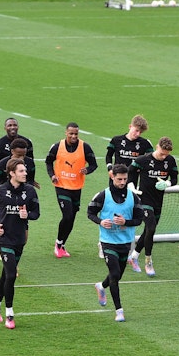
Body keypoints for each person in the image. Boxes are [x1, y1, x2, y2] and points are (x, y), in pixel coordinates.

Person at [0, 158, 41, 329]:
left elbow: (36, 213)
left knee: (5, 275)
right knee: (11, 275)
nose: (25, 173)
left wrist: (27, 215)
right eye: (22, 171)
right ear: (12, 173)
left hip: (20, 239)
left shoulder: (30, 192)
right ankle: (9, 314)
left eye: (25, 170)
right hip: (4, 239)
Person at [87, 164, 145, 322]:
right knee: (114, 274)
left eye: (125, 179)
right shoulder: (103, 196)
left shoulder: (134, 197)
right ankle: (119, 310)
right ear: (112, 176)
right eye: (119, 179)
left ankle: (101, 286)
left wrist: (126, 222)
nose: (122, 182)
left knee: (117, 276)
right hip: (108, 242)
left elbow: (139, 220)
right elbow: (90, 212)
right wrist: (100, 221)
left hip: (126, 242)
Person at [101, 114, 153, 257]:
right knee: (111, 208)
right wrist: (110, 168)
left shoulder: (145, 144)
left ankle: (124, 242)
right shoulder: (117, 140)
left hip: (131, 183)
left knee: (128, 210)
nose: (138, 134)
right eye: (136, 130)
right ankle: (104, 242)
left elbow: (150, 160)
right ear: (130, 126)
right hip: (115, 180)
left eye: (140, 132)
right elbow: (108, 155)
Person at [126, 137, 178, 277]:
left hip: (158, 201)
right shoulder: (143, 160)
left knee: (149, 231)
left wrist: (167, 184)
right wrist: (131, 186)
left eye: (166, 154)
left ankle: (134, 256)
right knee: (151, 227)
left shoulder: (170, 161)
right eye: (162, 153)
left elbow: (174, 179)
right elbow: (130, 172)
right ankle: (148, 260)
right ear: (157, 147)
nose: (163, 156)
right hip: (143, 200)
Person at [45, 122, 98, 258]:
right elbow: (48, 161)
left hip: (76, 188)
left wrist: (87, 170)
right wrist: (52, 175)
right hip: (61, 186)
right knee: (67, 215)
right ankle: (58, 244)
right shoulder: (57, 146)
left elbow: (94, 164)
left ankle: (62, 244)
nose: (74, 136)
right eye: (71, 133)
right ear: (66, 133)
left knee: (72, 218)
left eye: (76, 134)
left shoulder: (84, 147)